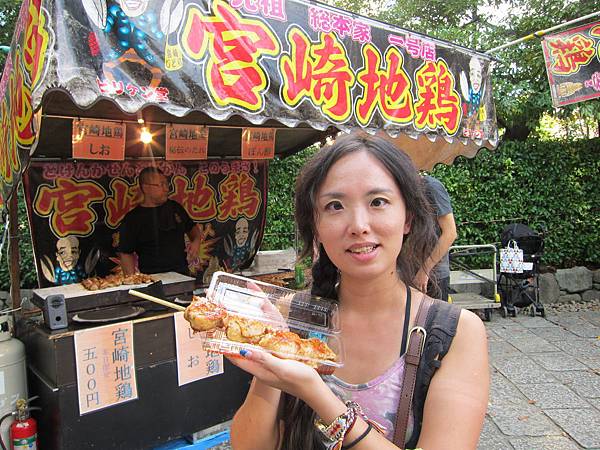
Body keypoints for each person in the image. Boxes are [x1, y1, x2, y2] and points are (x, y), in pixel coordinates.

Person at [228, 134, 488, 450]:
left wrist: (316, 393)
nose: (358, 225)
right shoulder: (288, 316)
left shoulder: (454, 333)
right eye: (335, 206)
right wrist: (271, 367)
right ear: (317, 227)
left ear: (407, 217)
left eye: (378, 202)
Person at [118, 166, 201, 275]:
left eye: (166, 184)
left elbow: (193, 229)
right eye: (161, 185)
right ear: (146, 188)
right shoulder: (133, 219)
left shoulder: (175, 208)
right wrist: (132, 281)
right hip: (152, 279)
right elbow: (125, 253)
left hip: (182, 275)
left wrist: (196, 242)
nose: (166, 189)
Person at [413, 175, 457, 302]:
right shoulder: (405, 189)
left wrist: (424, 271)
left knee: (432, 321)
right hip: (411, 272)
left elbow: (450, 233)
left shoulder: (431, 187)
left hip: (432, 277)